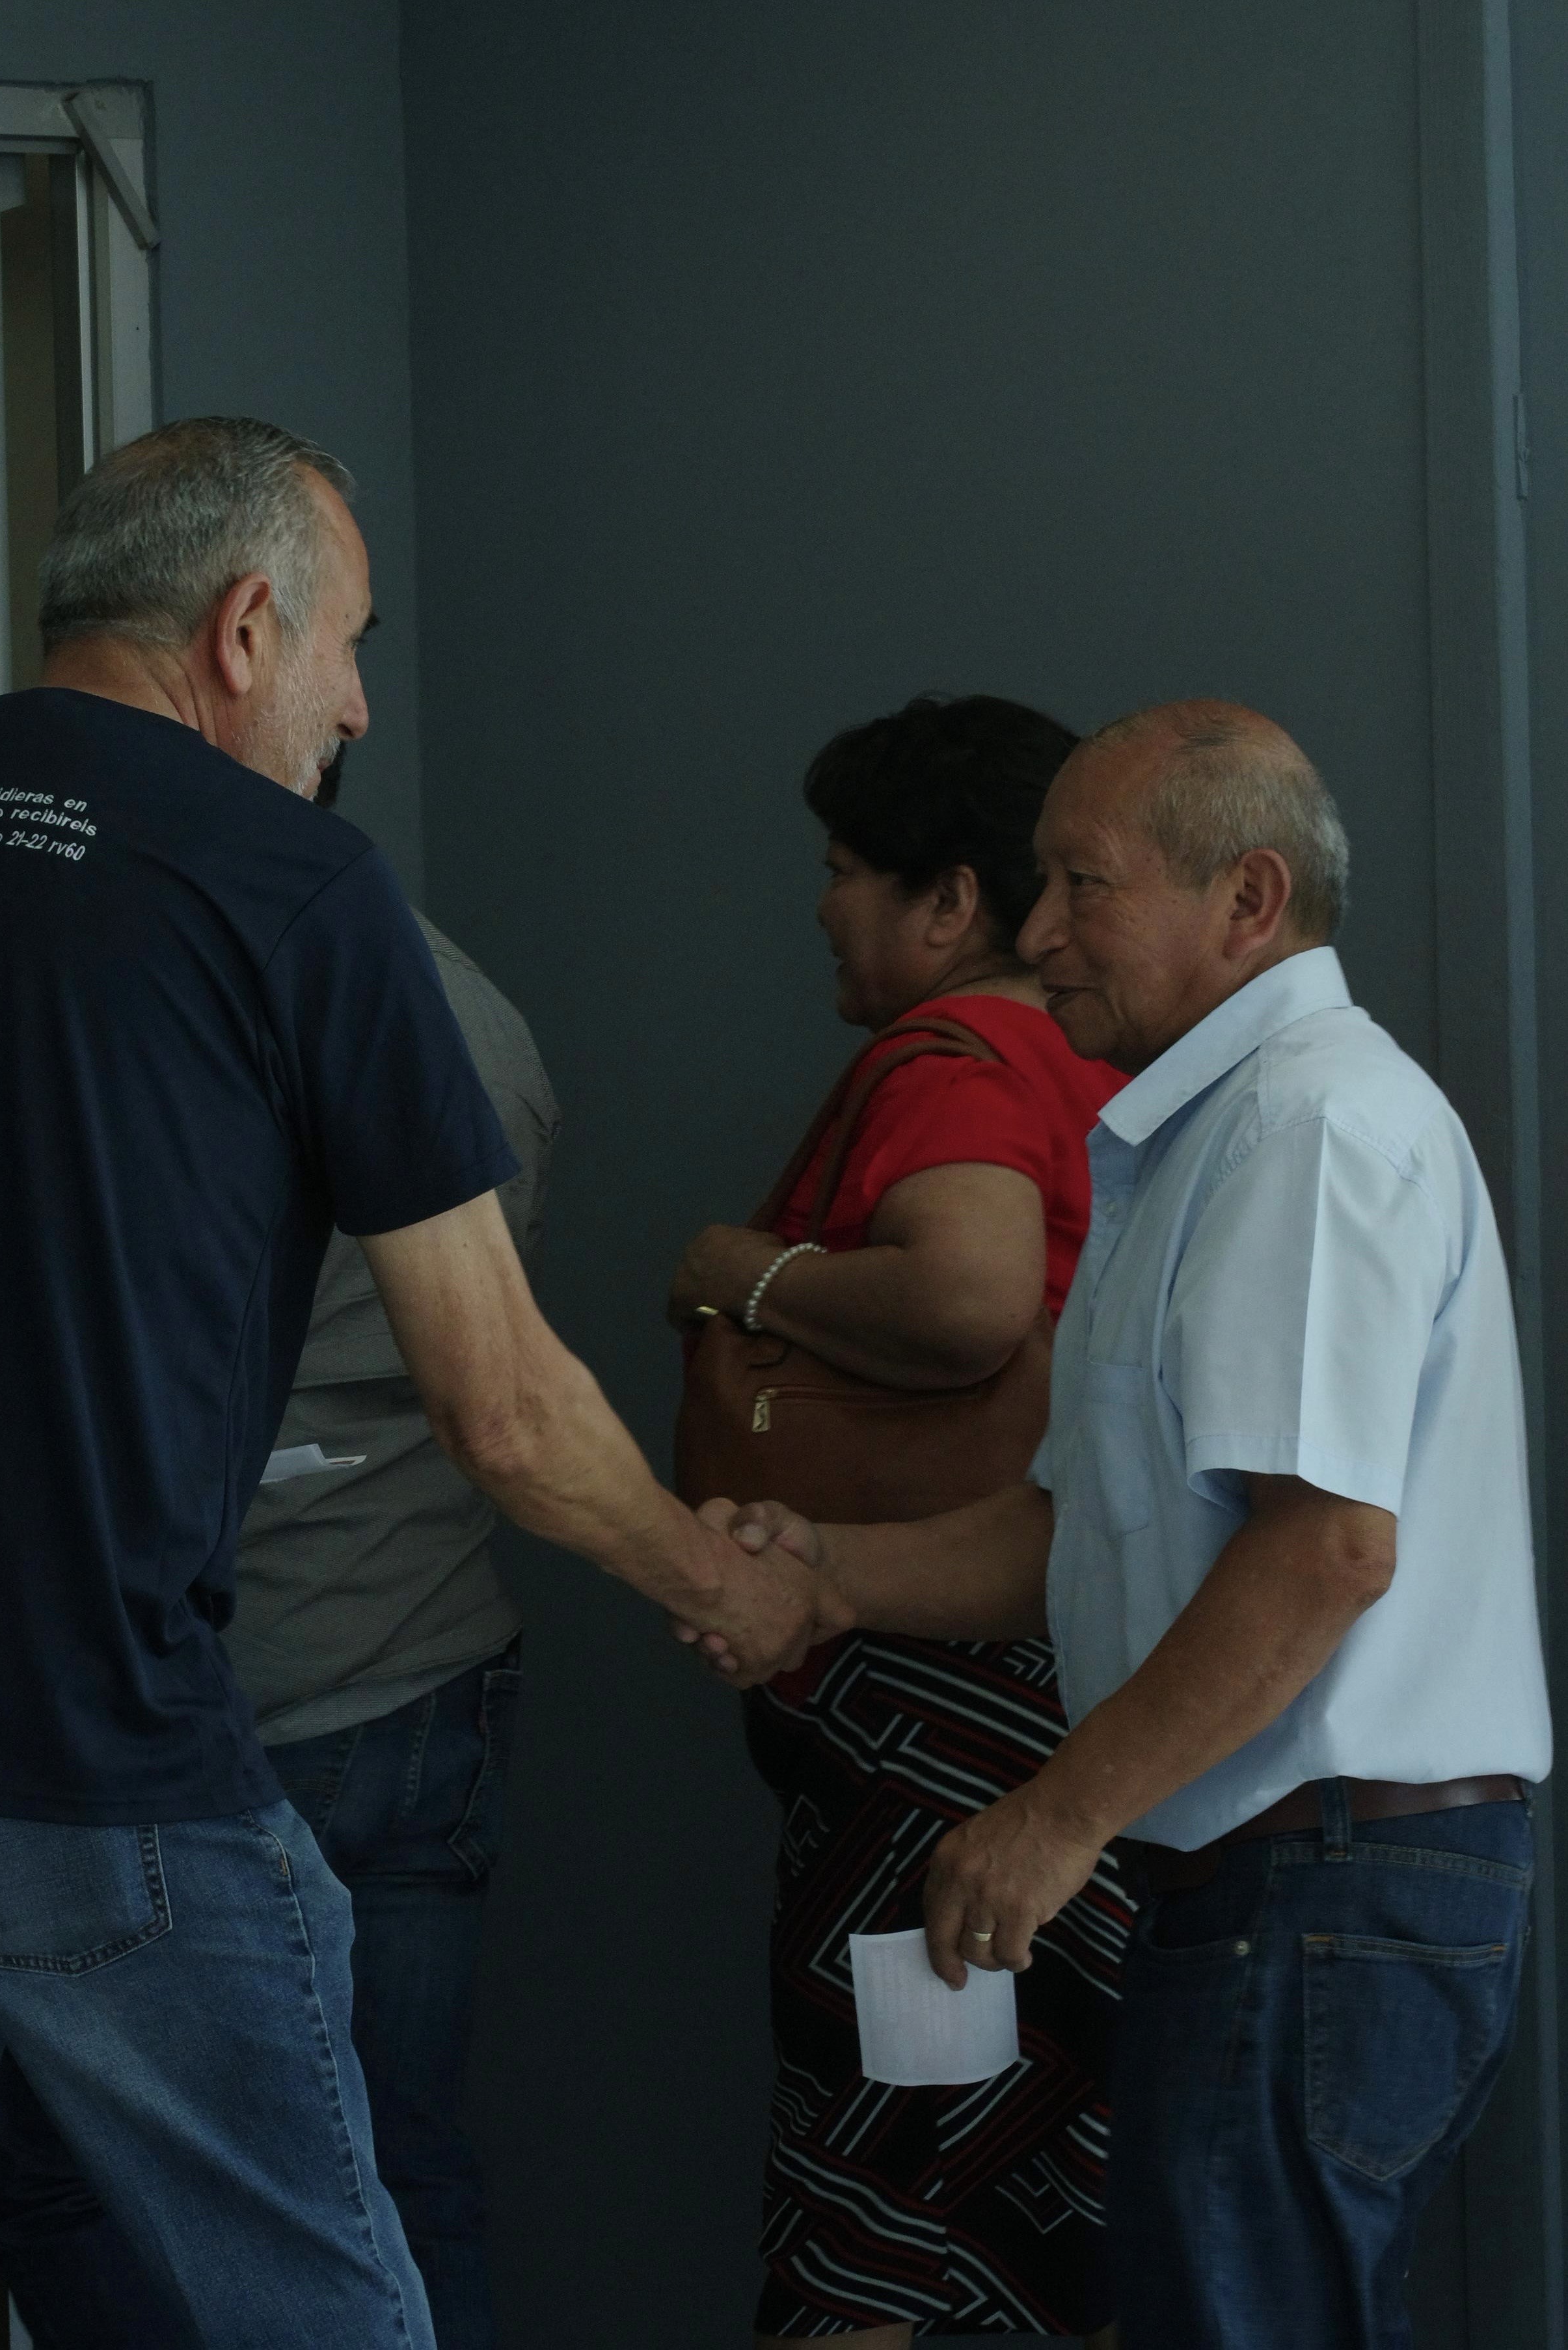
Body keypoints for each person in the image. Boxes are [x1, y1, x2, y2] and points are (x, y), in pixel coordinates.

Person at [0, 416, 830, 2350]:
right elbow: (498, 1401)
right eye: (347, 643)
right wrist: (720, 1580)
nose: (352, 702)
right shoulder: (291, 883)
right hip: (87, 1745)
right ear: (245, 626)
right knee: (314, 2305)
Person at [700, 701, 1552, 2350]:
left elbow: (1323, 1550)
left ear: (1247, 901)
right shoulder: (1211, 1132)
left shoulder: (1303, 1129)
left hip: (1317, 1882)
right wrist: (828, 1582)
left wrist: (1049, 1820)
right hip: (1284, 1887)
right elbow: (1088, 1534)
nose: (1033, 935)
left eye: (1081, 887)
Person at [0, 757, 554, 2349]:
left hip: (206, 1701)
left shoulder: (158, 1008)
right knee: (395, 2164)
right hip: (422, 1671)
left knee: (66, 2171)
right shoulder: (470, 1010)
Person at [669, 695, 1129, 2347]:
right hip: (1031, 1685)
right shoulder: (1089, 1059)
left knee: (893, 2182)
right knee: (1017, 2172)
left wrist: (742, 1271)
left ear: (951, 900)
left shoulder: (953, 1058)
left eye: (847, 867)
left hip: (932, 1721)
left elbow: (969, 1296)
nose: (820, 904)